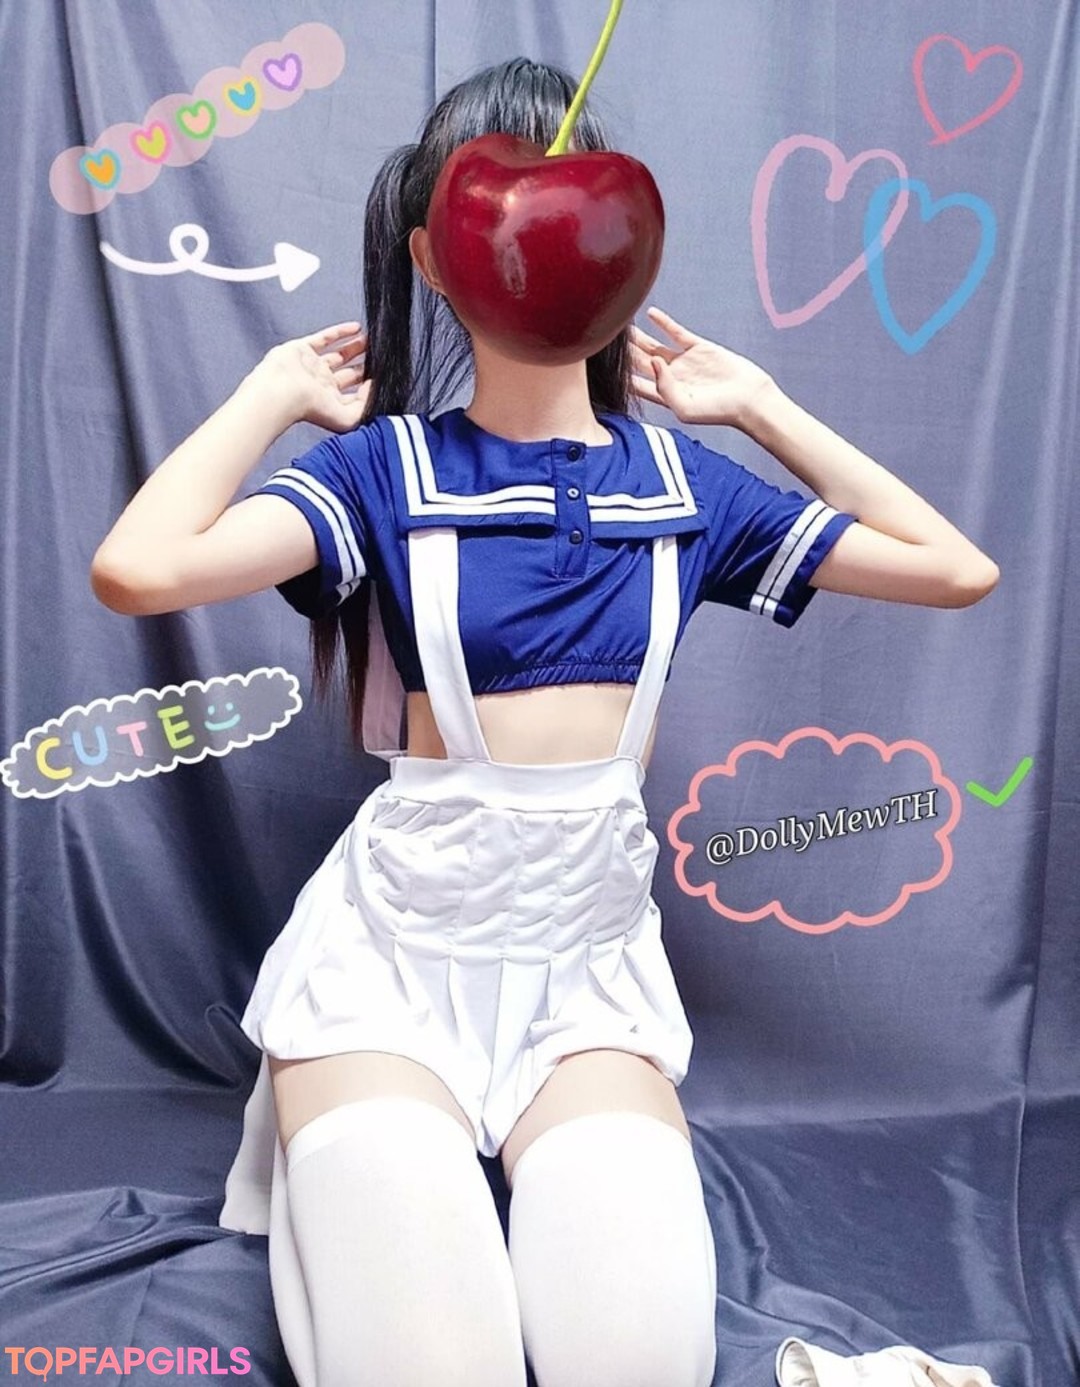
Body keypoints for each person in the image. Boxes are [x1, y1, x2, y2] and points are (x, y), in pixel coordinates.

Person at [91, 56, 999, 1387]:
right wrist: (269, 395)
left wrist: (760, 406)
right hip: (391, 975)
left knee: (635, 1368)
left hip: (587, 986)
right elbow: (137, 569)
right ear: (434, 257)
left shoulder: (685, 485)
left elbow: (955, 568)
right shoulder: (385, 470)